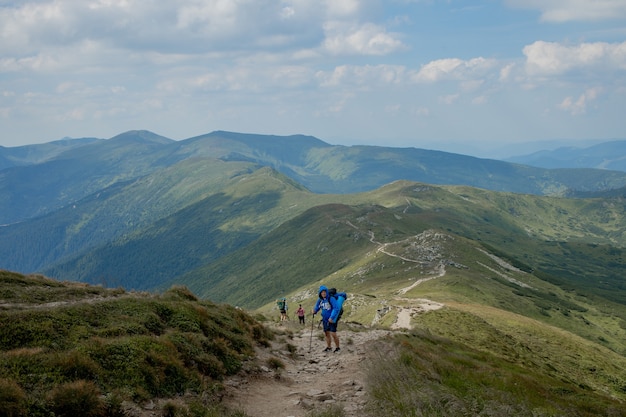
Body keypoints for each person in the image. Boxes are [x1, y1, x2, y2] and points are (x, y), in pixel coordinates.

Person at [312, 285, 344, 353]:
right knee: (326, 333)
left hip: (331, 319)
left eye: (324, 292)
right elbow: (317, 306)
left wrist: (331, 317)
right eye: (322, 292)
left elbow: (336, 308)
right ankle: (329, 347)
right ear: (320, 293)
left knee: (333, 333)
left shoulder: (331, 298)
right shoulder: (320, 300)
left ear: (326, 292)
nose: (323, 293)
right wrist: (315, 310)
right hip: (325, 319)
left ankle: (338, 348)